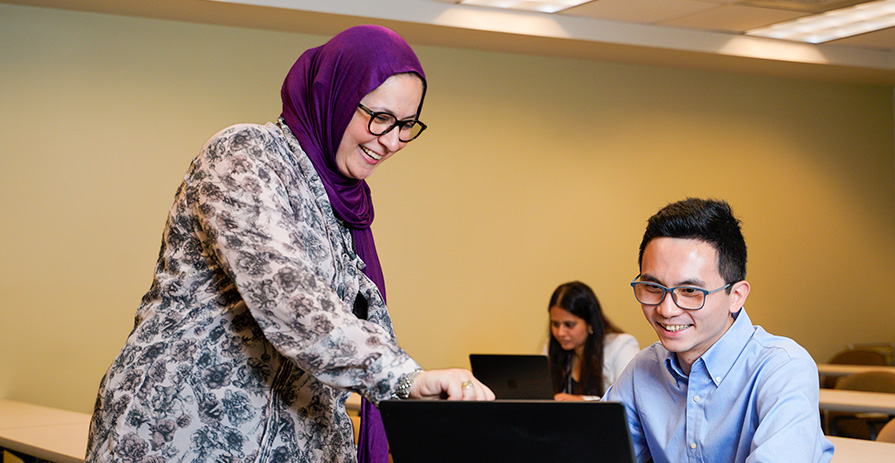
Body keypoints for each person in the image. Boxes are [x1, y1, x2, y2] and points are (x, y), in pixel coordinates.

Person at [86, 25, 493, 463]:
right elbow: (286, 295)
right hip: (181, 436)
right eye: (380, 117)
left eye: (407, 125)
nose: (392, 141)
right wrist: (404, 378)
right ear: (332, 95)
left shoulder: (344, 208)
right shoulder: (245, 155)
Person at [604, 198, 833, 463]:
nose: (666, 310)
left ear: (736, 295)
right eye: (654, 287)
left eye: (690, 291)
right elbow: (595, 452)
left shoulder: (783, 368)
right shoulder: (643, 369)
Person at [546, 281, 638, 401]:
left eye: (569, 325)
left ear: (590, 324)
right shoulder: (551, 347)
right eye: (556, 324)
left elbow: (628, 402)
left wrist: (583, 402)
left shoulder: (621, 346)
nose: (560, 333)